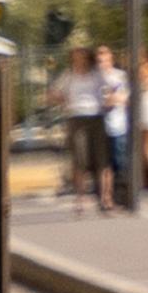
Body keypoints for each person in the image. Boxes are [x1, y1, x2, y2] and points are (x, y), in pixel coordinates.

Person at [52, 44, 111, 210]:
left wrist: (108, 102)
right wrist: (64, 102)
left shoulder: (96, 74)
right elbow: (53, 93)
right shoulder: (69, 75)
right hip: (76, 117)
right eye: (76, 57)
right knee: (79, 159)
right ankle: (80, 198)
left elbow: (111, 88)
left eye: (83, 57)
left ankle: (105, 197)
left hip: (96, 116)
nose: (80, 60)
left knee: (101, 158)